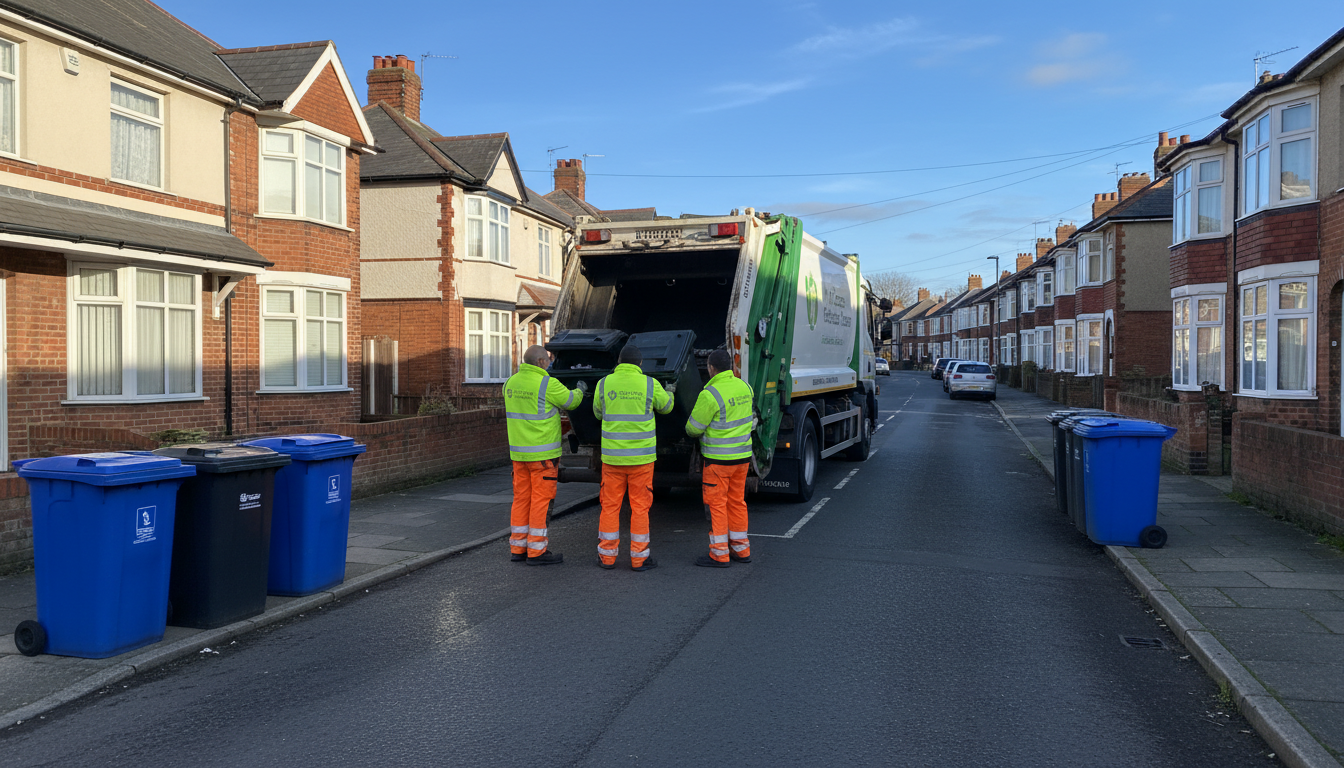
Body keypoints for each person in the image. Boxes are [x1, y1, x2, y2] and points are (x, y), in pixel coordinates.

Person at [594, 344, 674, 571]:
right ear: (640, 364)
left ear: (619, 362)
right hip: (641, 459)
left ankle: (607, 557)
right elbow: (666, 407)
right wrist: (670, 391)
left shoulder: (604, 383)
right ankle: (639, 559)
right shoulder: (650, 384)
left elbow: (598, 412)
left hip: (612, 459)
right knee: (640, 508)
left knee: (610, 506)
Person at [504, 345, 585, 565]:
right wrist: (580, 388)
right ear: (540, 362)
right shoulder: (547, 383)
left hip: (519, 455)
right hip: (543, 456)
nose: (549, 363)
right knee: (541, 501)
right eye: (547, 360)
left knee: (521, 500)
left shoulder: (510, 383)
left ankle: (518, 548)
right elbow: (571, 401)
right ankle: (537, 551)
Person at [686, 349, 754, 567]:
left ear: (710, 368)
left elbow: (693, 429)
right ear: (732, 366)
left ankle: (719, 554)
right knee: (737, 502)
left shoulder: (710, 394)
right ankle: (741, 550)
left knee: (717, 505)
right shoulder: (745, 387)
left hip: (717, 462)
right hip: (742, 459)